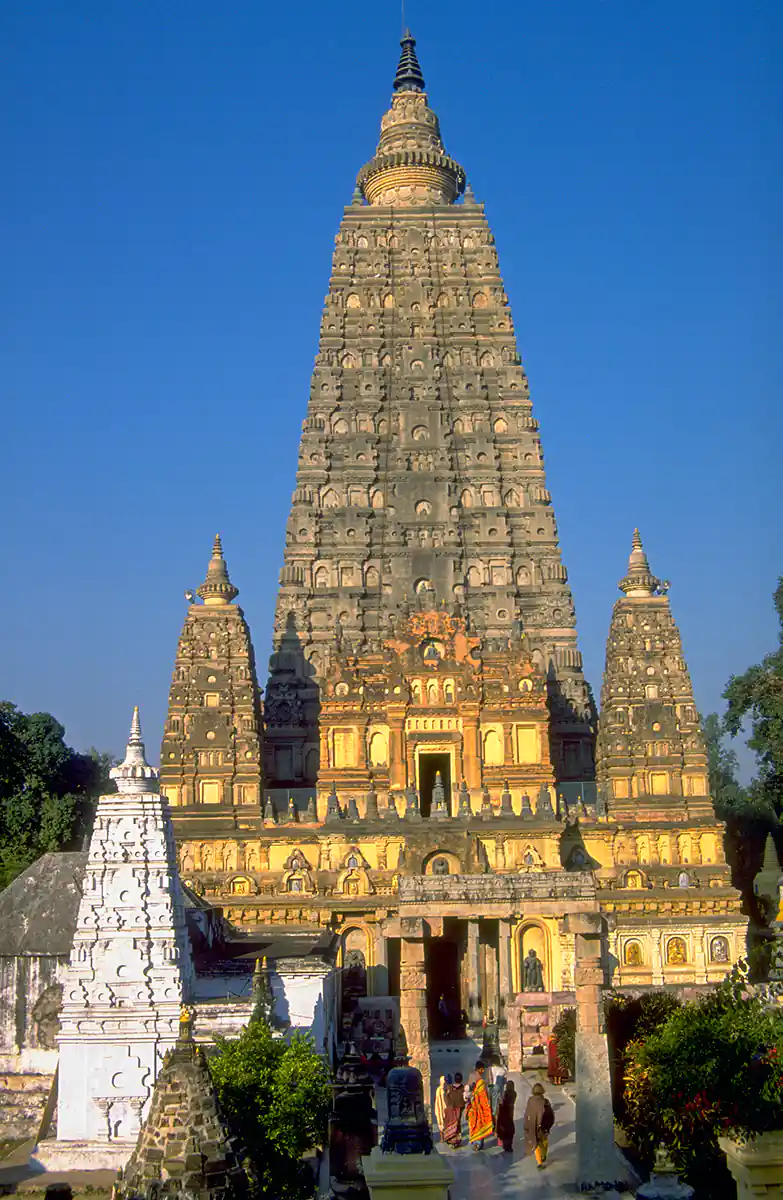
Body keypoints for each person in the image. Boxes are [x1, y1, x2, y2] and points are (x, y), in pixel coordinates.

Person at [523, 1082, 555, 1168]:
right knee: (543, 1142)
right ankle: (543, 1156)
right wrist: (549, 1126)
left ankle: (539, 1161)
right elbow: (550, 1115)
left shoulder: (530, 1101)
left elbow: (527, 1113)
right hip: (543, 1127)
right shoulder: (545, 1102)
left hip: (532, 1126)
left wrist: (526, 1125)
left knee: (535, 1143)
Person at [466, 1060, 494, 1151]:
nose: (483, 1071)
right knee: (480, 1123)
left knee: (473, 1123)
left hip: (472, 1104)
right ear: (480, 1069)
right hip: (479, 1106)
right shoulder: (481, 1080)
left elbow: (468, 1090)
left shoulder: (471, 1076)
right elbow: (484, 1095)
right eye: (482, 1069)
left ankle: (475, 1142)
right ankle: (478, 1143)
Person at [443, 1073, 464, 1148]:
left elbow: (446, 1097)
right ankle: (457, 1140)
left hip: (450, 1109)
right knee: (457, 1124)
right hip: (459, 1108)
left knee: (451, 1123)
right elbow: (464, 1098)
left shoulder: (449, 1088)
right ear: (461, 1079)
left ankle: (451, 1140)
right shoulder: (462, 1088)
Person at [495, 1080, 517, 1152]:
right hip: (511, 1110)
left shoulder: (505, 1093)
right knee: (510, 1125)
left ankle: (504, 1143)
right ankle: (509, 1145)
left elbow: (503, 1102)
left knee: (505, 1128)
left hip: (505, 1112)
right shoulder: (514, 1093)